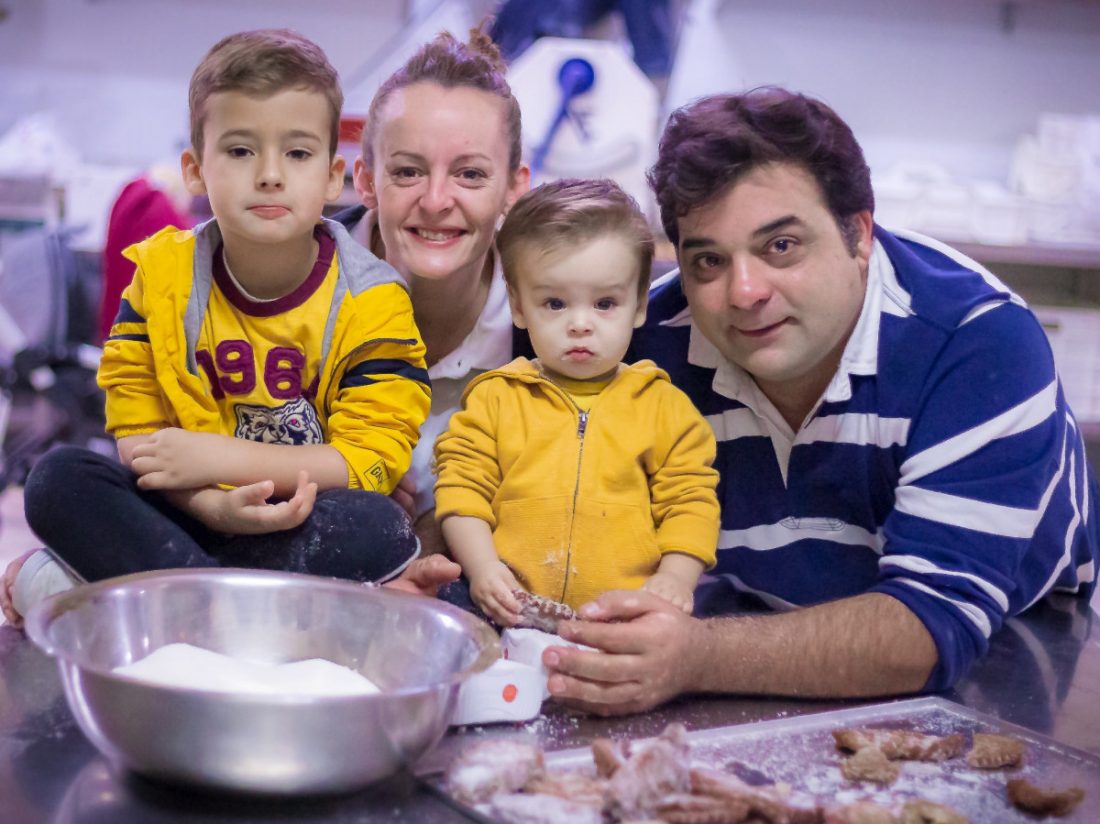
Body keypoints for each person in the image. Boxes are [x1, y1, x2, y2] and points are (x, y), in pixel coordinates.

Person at [541, 87, 1100, 715]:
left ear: (859, 235)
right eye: (709, 260)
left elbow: (932, 627)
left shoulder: (976, 341)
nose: (745, 291)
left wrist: (698, 655)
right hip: (750, 628)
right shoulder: (644, 351)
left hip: (1012, 650)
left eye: (781, 246)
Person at [0, 29, 434, 627]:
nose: (270, 175)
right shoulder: (160, 277)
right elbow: (136, 424)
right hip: (183, 506)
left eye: (298, 153)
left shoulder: (374, 299)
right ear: (196, 170)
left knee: (378, 525)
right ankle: (233, 619)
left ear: (334, 176)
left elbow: (372, 459)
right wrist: (207, 502)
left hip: (296, 521)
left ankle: (159, 607)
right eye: (240, 150)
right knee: (57, 478)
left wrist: (221, 459)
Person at [433, 179, 720, 624]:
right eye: (555, 303)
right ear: (519, 307)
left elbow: (690, 503)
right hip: (508, 607)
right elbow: (461, 492)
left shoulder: (664, 408)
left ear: (639, 305)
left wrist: (676, 578)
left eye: (605, 303)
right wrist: (483, 567)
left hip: (621, 617)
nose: (580, 324)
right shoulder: (495, 399)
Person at [333, 27, 532, 554]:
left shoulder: (552, 326)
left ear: (514, 186)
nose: (436, 199)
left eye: (469, 174)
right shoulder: (286, 288)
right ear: (367, 179)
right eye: (408, 171)